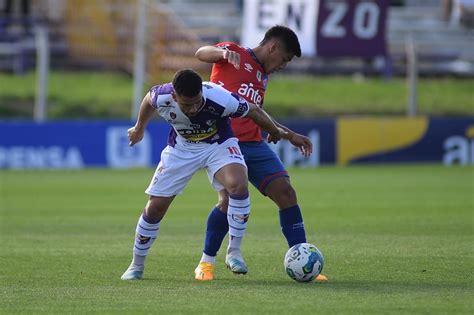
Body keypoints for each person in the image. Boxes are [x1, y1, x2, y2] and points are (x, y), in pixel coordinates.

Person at [121, 69, 291, 280]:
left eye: (196, 102)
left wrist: (274, 131)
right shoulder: (162, 96)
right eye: (186, 104)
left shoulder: (219, 98)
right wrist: (139, 128)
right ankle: (136, 265)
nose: (193, 109)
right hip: (181, 150)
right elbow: (148, 100)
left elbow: (254, 111)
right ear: (174, 96)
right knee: (155, 207)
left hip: (218, 145)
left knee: (238, 185)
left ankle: (234, 252)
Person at [193, 25, 328, 282]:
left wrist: (287, 134)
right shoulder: (233, 53)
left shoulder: (262, 76)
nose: (283, 65)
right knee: (228, 201)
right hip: (223, 143)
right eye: (285, 59)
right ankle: (206, 263)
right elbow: (201, 52)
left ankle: (302, 257)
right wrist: (221, 55)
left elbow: (256, 112)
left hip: (254, 144)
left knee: (286, 193)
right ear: (273, 47)